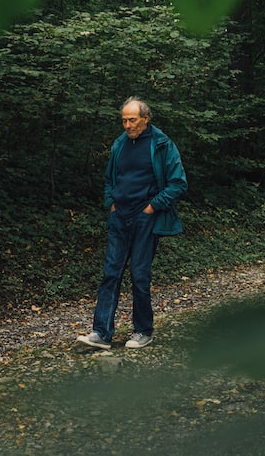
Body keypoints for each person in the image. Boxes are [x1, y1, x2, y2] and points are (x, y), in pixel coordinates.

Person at [77, 96, 188, 350]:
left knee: (139, 275)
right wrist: (111, 202)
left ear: (146, 119)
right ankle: (101, 333)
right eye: (124, 120)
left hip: (145, 219)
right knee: (110, 274)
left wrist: (152, 207)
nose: (127, 125)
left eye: (132, 120)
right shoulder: (120, 144)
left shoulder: (162, 144)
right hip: (120, 217)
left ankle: (143, 331)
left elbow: (178, 183)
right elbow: (109, 179)